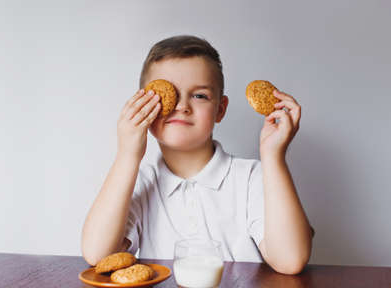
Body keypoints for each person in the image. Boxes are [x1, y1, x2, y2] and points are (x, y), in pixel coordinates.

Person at [81, 35, 314, 275]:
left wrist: (273, 156)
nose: (182, 106)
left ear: (220, 109)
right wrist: (127, 155)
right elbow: (98, 255)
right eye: (166, 95)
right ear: (142, 105)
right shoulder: (138, 182)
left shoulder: (253, 177)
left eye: (199, 95)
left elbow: (290, 260)